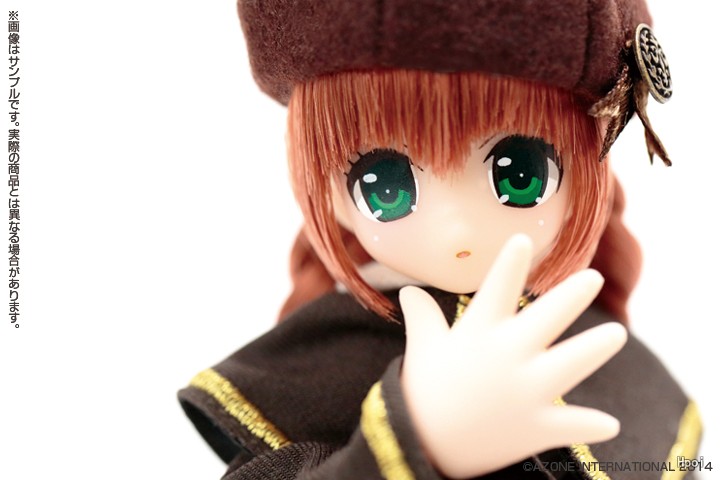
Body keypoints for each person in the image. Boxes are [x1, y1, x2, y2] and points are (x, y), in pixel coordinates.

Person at [179, 1, 701, 478]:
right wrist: (416, 441)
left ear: (594, 164)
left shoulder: (605, 360)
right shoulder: (316, 368)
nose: (457, 229)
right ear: (330, 196)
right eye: (386, 188)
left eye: (519, 175)